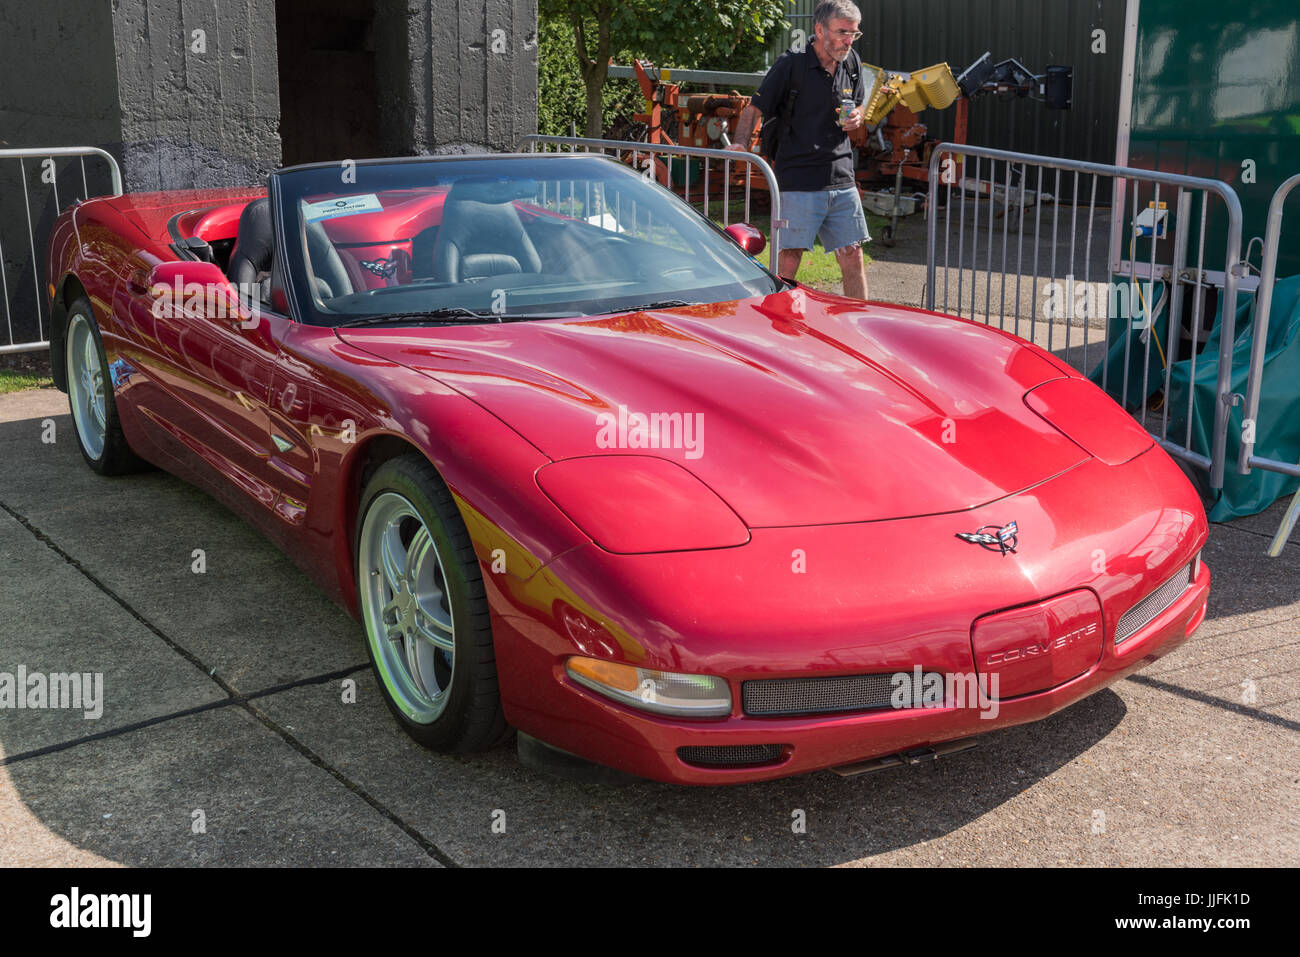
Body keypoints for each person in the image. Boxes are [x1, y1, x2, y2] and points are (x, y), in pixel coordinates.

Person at [728, 0, 870, 299]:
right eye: (843, 32)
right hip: (797, 177)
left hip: (841, 176)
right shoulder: (791, 64)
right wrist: (741, 143)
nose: (848, 40)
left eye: (854, 34)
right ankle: (776, 326)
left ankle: (857, 325)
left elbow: (857, 105)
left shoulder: (852, 62)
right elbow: (754, 109)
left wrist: (858, 114)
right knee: (789, 257)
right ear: (819, 29)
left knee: (852, 255)